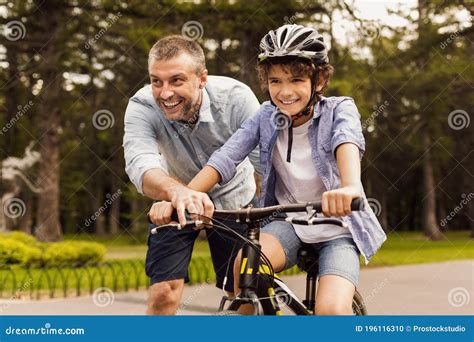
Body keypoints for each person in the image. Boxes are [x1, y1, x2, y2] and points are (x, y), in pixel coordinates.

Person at [187, 24, 387, 315]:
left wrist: (349, 187)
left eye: (296, 80)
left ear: (318, 80)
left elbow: (347, 141)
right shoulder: (266, 116)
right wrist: (185, 197)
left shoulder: (339, 110)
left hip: (339, 230)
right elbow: (226, 156)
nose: (285, 91)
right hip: (289, 224)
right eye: (275, 81)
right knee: (244, 275)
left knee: (331, 311)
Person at [123, 35, 261, 315]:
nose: (165, 93)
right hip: (174, 200)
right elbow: (141, 163)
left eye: (177, 80)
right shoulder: (141, 106)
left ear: (202, 78)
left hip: (233, 201)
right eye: (156, 81)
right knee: (163, 292)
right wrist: (179, 193)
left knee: (241, 295)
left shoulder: (236, 99)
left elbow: (268, 163)